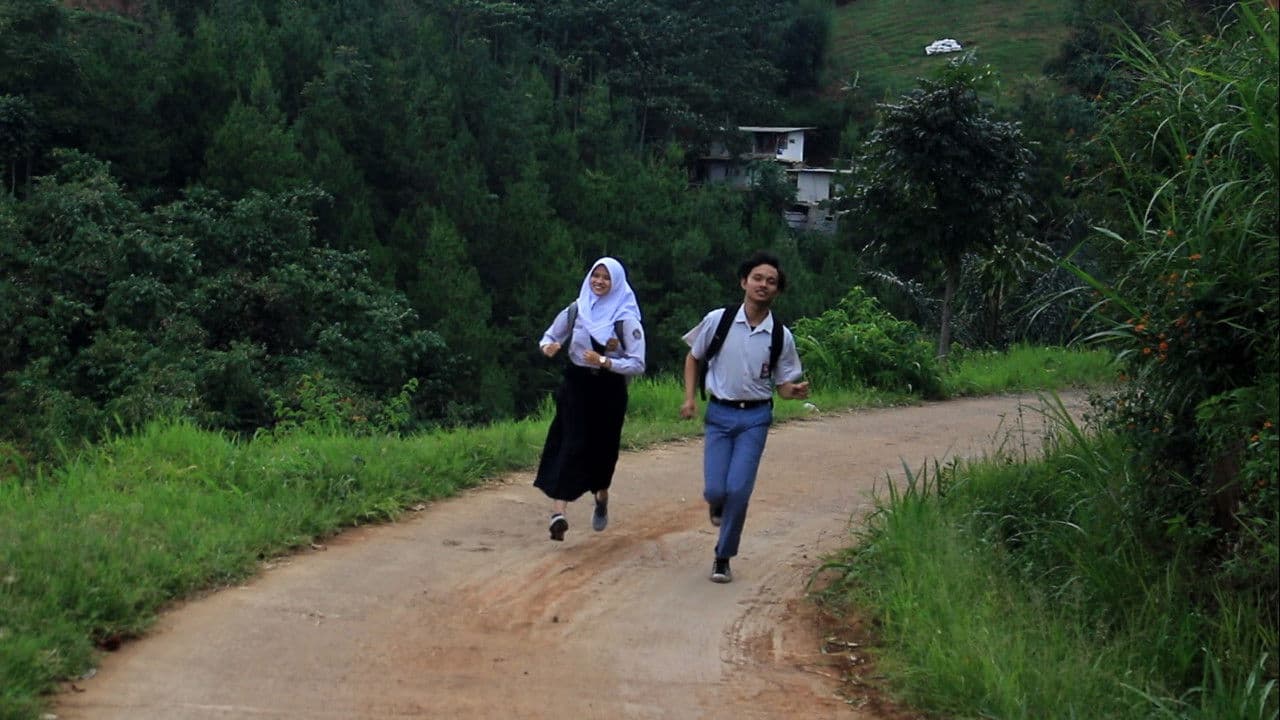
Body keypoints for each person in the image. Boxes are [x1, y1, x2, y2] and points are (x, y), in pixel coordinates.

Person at [680, 251, 809, 583]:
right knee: (715, 490)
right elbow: (693, 358)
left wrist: (792, 392)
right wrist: (690, 398)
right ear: (744, 282)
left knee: (739, 489)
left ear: (777, 290)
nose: (763, 285)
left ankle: (723, 557)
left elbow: (781, 384)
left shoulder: (780, 335)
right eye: (757, 278)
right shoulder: (718, 320)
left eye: (771, 281)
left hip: (755, 418)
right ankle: (717, 505)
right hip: (719, 414)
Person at [535, 257, 646, 541]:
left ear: (617, 283)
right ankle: (559, 513)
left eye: (605, 278)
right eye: (595, 276)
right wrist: (548, 347)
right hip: (576, 385)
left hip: (608, 390)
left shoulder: (626, 320)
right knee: (569, 442)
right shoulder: (577, 309)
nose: (598, 282)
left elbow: (638, 363)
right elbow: (550, 334)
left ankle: (601, 496)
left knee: (603, 451)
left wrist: (606, 362)